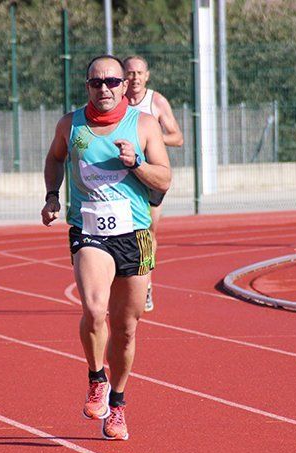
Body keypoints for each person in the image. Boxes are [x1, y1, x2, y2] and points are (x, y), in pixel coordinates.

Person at [41, 55, 171, 440]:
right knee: (95, 308)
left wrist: (135, 164)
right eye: (97, 83)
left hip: (135, 234)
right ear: (87, 86)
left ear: (123, 85)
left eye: (112, 82)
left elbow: (163, 180)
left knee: (126, 329)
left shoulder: (144, 125)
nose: (105, 89)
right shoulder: (71, 123)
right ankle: (96, 376)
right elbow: (54, 157)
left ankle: (117, 402)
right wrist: (52, 195)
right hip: (89, 228)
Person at [123, 55, 184, 312]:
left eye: (139, 73)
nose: (134, 78)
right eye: (130, 73)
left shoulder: (156, 101)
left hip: (152, 176)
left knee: (147, 233)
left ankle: (146, 285)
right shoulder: (117, 102)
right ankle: (122, 287)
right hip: (125, 176)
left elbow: (177, 137)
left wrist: (151, 137)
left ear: (146, 76)